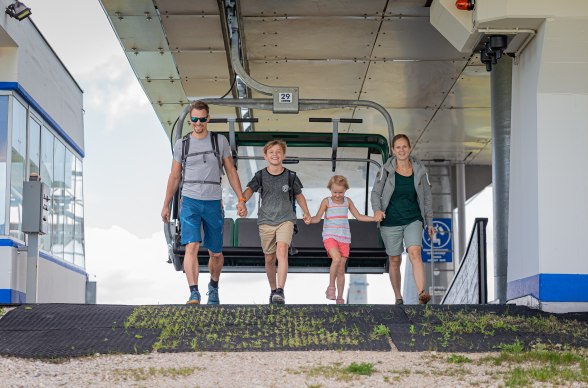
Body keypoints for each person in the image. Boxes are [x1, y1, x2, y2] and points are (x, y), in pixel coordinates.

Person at [161, 100, 247, 305]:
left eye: (202, 119)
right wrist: (165, 204)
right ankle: (193, 292)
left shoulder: (220, 141)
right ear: (190, 120)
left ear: (208, 118)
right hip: (190, 201)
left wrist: (241, 198)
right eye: (194, 119)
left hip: (213, 202)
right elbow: (174, 176)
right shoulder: (182, 144)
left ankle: (213, 287)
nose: (198, 123)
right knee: (191, 245)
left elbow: (231, 172)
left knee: (215, 252)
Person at [241, 140, 311, 304]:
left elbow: (299, 195)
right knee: (269, 259)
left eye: (278, 152)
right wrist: (241, 201)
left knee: (282, 250)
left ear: (283, 155)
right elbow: (249, 190)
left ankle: (280, 290)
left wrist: (306, 212)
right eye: (271, 152)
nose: (275, 154)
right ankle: (273, 290)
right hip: (266, 221)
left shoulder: (291, 176)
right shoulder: (260, 175)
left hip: (285, 219)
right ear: (265, 156)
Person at [371, 134, 434, 305]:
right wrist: (377, 211)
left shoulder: (420, 170)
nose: (401, 150)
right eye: (398, 147)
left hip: (413, 218)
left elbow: (427, 197)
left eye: (404, 146)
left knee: (415, 252)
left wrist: (429, 222)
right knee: (395, 259)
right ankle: (398, 297)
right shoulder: (385, 170)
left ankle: (421, 294)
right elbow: (375, 193)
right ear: (393, 150)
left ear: (410, 148)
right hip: (390, 221)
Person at [306, 175, 376, 304]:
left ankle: (340, 297)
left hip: (344, 237)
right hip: (330, 236)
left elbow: (359, 216)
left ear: (345, 191)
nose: (337, 195)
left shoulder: (347, 201)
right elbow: (317, 218)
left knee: (341, 268)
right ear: (330, 190)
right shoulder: (327, 201)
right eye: (334, 192)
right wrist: (310, 220)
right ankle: (331, 287)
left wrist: (373, 218)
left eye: (340, 192)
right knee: (336, 258)